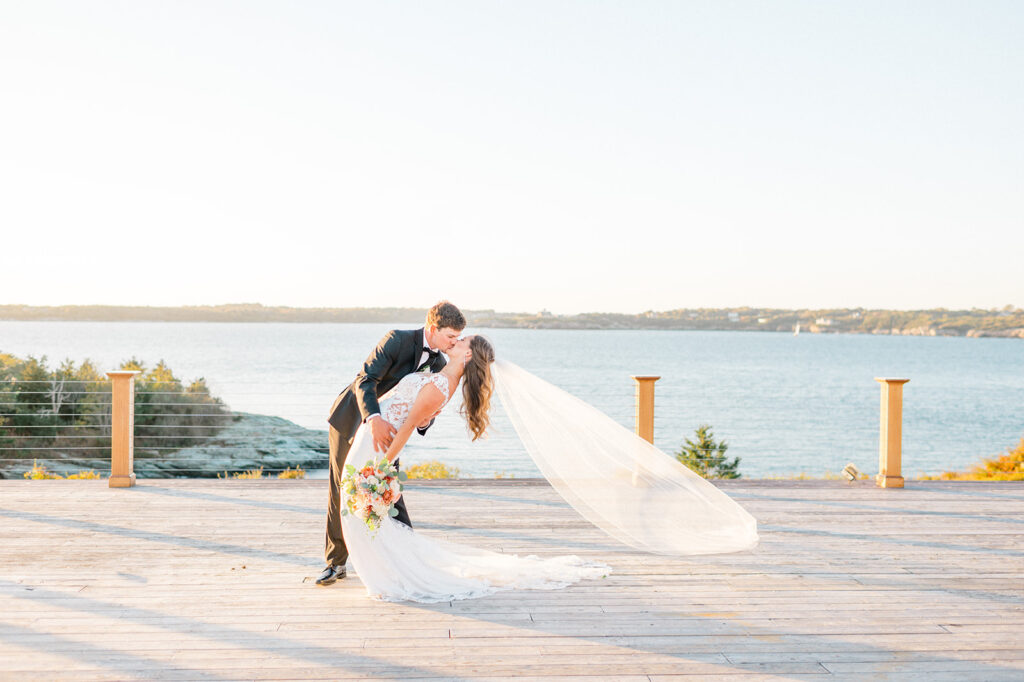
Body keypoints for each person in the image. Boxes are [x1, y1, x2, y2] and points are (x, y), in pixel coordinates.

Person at [337, 334, 610, 603]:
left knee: (358, 511)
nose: (457, 340)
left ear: (467, 355)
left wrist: (383, 469)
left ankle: (389, 576)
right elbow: (413, 416)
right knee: (358, 511)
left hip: (378, 447)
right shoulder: (441, 376)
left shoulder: (441, 385)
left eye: (463, 340)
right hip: (373, 436)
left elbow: (408, 428)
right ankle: (387, 572)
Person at [316, 301, 465, 587]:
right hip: (352, 419)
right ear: (433, 328)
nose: (453, 343)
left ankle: (408, 561)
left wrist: (423, 422)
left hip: (390, 435)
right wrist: (373, 418)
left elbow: (423, 411)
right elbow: (365, 379)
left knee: (389, 491)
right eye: (449, 337)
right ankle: (335, 564)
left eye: (457, 339)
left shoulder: (440, 365)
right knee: (342, 488)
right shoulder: (397, 339)